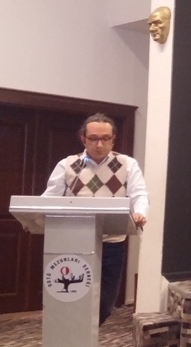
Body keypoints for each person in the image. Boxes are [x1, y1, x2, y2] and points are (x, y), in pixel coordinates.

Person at [42, 113, 148, 326]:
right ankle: (77, 338)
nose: (99, 144)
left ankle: (85, 333)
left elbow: (139, 193)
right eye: (93, 138)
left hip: (112, 243)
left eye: (105, 138)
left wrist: (140, 212)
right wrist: (38, 214)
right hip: (74, 242)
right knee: (72, 295)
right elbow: (49, 198)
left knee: (106, 303)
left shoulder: (127, 164)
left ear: (113, 139)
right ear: (83, 139)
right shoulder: (68, 165)